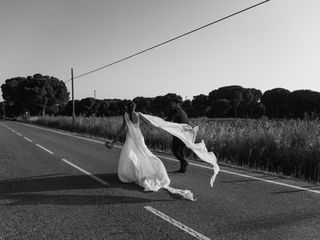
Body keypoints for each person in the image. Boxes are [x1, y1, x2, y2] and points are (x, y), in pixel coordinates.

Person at [105, 101, 195, 200]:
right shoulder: (138, 115)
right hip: (138, 137)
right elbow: (150, 122)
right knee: (143, 154)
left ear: (127, 108)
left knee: (130, 155)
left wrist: (113, 141)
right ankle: (138, 172)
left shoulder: (126, 115)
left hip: (131, 137)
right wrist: (160, 124)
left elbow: (122, 129)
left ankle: (132, 174)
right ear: (135, 107)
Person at [166, 98, 189, 173]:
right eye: (171, 103)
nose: (171, 105)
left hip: (179, 133)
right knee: (181, 151)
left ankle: (184, 162)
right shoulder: (182, 111)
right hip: (185, 133)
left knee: (175, 152)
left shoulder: (175, 111)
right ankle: (183, 169)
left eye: (173, 103)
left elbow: (169, 119)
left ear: (177, 104)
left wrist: (158, 122)